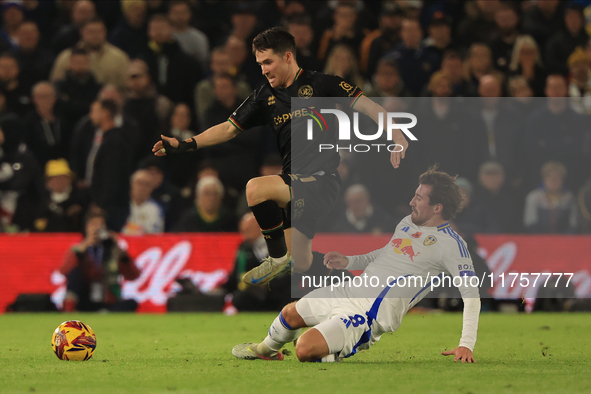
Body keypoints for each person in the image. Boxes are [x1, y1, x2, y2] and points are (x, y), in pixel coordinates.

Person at [153, 27, 409, 286]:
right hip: (295, 188)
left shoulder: (321, 84)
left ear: (288, 56)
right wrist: (186, 144)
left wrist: (398, 135)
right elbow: (228, 128)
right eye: (260, 64)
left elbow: (369, 106)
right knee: (302, 263)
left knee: (256, 188)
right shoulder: (265, 97)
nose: (263, 69)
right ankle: (355, 286)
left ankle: (275, 258)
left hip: (321, 182)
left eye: (268, 62)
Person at [231, 166, 480, 363]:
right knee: (290, 313)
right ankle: (266, 350)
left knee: (305, 349)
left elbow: (471, 295)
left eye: (418, 197)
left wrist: (466, 343)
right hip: (351, 289)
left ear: (437, 207)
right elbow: (385, 254)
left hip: (370, 313)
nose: (411, 202)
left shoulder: (452, 245)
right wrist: (350, 261)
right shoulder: (407, 223)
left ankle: (332, 351)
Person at [60, 209, 140, 312]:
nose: (97, 229)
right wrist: (83, 247)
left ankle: (105, 312)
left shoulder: (113, 249)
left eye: (100, 225)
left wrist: (119, 251)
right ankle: (70, 309)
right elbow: (64, 271)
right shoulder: (78, 249)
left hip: (107, 298)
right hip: (85, 297)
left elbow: (133, 275)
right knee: (75, 273)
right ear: (86, 228)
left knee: (132, 303)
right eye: (93, 225)